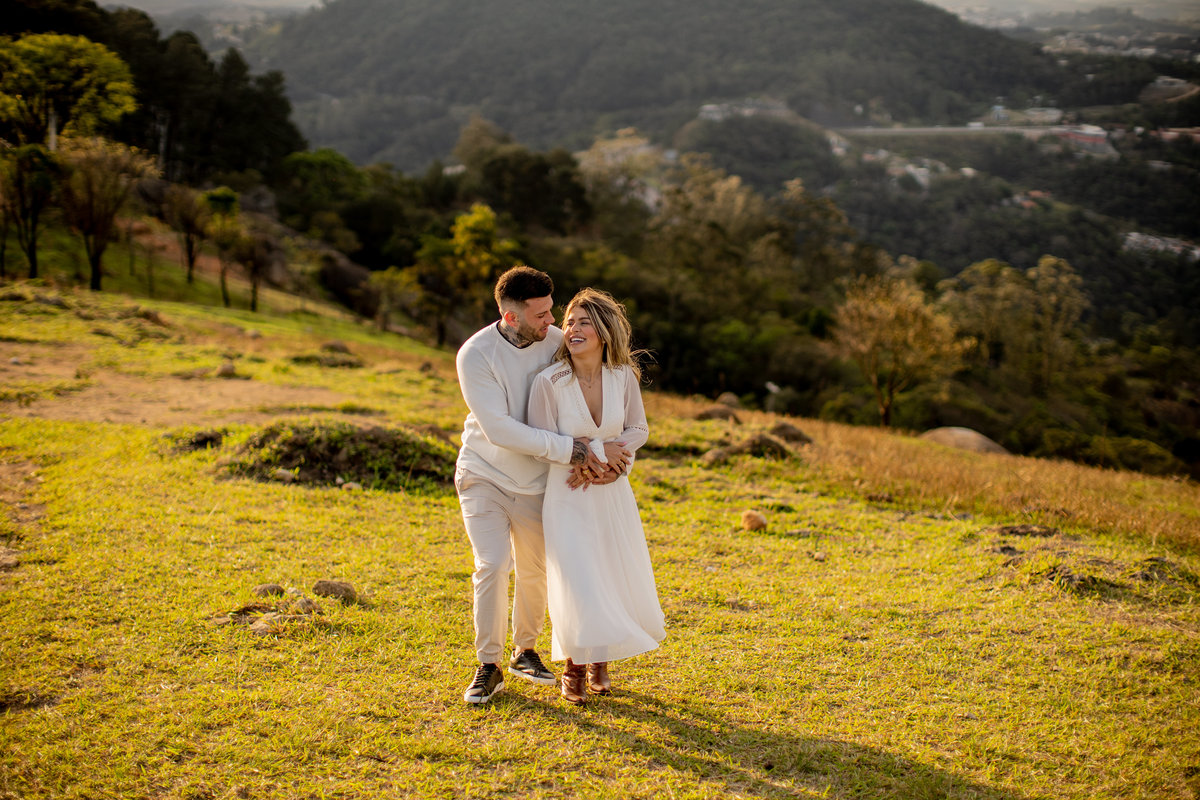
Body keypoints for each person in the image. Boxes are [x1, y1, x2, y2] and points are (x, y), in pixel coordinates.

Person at [454, 266, 610, 704]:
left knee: (535, 569)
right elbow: (500, 429)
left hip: (539, 481)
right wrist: (571, 450)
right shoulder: (476, 355)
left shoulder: (558, 342)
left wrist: (607, 446)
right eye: (541, 314)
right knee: (492, 564)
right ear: (510, 317)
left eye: (551, 310)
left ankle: (526, 651)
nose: (552, 321)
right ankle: (488, 664)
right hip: (484, 472)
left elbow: (592, 387)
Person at [527, 288, 666, 705]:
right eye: (568, 321)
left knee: (607, 572)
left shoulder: (623, 376)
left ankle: (600, 661)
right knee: (577, 577)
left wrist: (615, 462)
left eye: (583, 321)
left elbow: (638, 429)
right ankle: (573, 665)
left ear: (605, 331)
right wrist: (588, 456)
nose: (572, 328)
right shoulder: (548, 383)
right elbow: (541, 440)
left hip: (612, 492)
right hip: (569, 492)